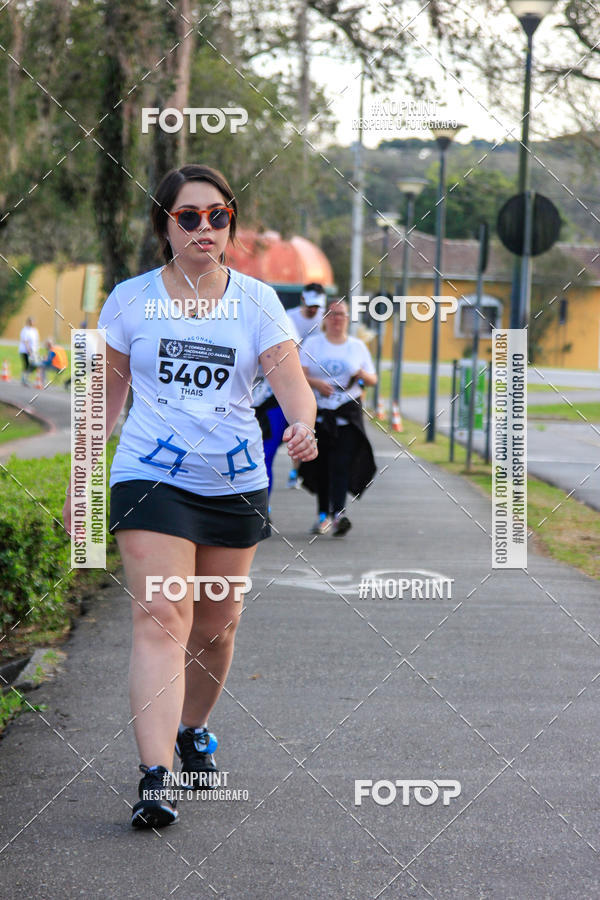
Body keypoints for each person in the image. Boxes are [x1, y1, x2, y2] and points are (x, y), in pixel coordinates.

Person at [62, 164, 317, 830]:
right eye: (189, 217)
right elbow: (100, 403)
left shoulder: (258, 301)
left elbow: (289, 379)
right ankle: (154, 776)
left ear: (230, 223)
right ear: (165, 225)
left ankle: (193, 728)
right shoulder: (128, 300)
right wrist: (80, 484)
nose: (205, 228)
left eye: (218, 216)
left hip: (233, 481)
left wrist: (303, 424)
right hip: (150, 474)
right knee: (161, 616)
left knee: (216, 626)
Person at [298, 298, 377, 536]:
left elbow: (372, 380)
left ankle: (338, 514)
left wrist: (361, 374)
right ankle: (322, 516)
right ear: (324, 319)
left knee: (341, 466)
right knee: (320, 467)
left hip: (347, 416)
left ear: (348, 318)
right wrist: (316, 384)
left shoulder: (357, 346)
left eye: (341, 314)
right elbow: (298, 375)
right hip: (320, 415)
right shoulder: (313, 344)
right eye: (332, 314)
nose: (336, 319)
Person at [252, 313, 300, 510]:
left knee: (265, 456)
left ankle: (263, 508)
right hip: (234, 401)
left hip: (271, 401)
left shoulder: (281, 319)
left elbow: (292, 356)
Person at [285, 283, 326, 487]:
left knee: (308, 428)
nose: (313, 310)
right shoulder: (289, 317)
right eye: (310, 305)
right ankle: (295, 469)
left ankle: (302, 471)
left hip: (315, 380)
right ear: (302, 300)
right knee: (294, 425)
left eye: (317, 307)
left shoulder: (324, 320)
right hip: (291, 378)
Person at [18, 317, 40, 386]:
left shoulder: (34, 330)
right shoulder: (25, 330)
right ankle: (24, 379)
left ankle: (25, 377)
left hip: (34, 351)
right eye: (31, 321)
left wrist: (36, 350)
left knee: (35, 365)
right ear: (28, 322)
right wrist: (29, 350)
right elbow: (25, 341)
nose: (32, 323)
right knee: (27, 365)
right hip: (25, 351)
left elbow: (36, 341)